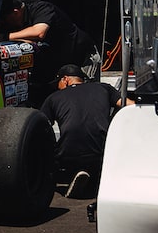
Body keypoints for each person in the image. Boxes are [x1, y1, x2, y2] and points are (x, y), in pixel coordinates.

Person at [41, 63, 133, 199]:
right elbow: (130, 105)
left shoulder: (53, 98)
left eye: (58, 83)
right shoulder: (103, 88)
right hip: (101, 152)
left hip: (68, 155)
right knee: (99, 160)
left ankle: (72, 176)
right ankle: (95, 178)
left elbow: (41, 126)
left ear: (65, 79)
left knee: (50, 156)